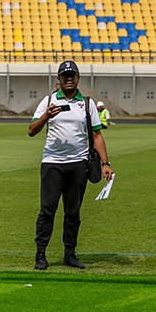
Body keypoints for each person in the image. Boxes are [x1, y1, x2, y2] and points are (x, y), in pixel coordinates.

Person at [28, 60, 114, 270]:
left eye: (72, 75)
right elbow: (31, 130)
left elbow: (96, 134)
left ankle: (70, 253)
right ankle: (40, 255)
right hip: (52, 164)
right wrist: (47, 115)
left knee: (73, 212)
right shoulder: (48, 101)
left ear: (77, 79)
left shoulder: (86, 103)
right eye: (64, 76)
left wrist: (105, 163)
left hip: (78, 164)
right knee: (47, 211)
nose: (68, 79)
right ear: (58, 79)